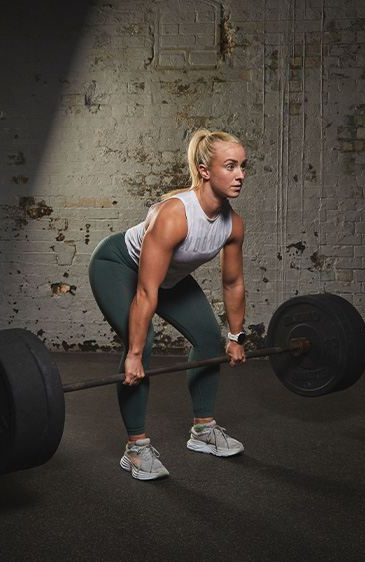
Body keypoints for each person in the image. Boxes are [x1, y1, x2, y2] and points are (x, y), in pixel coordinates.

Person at [87, 129, 249, 481]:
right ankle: (135, 448)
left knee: (208, 337)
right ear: (205, 171)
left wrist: (236, 336)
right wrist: (133, 354)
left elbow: (233, 282)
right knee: (141, 346)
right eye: (231, 166)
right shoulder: (175, 216)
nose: (240, 175)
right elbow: (146, 293)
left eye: (243, 166)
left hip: (167, 279)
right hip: (119, 268)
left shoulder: (231, 224)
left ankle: (204, 430)